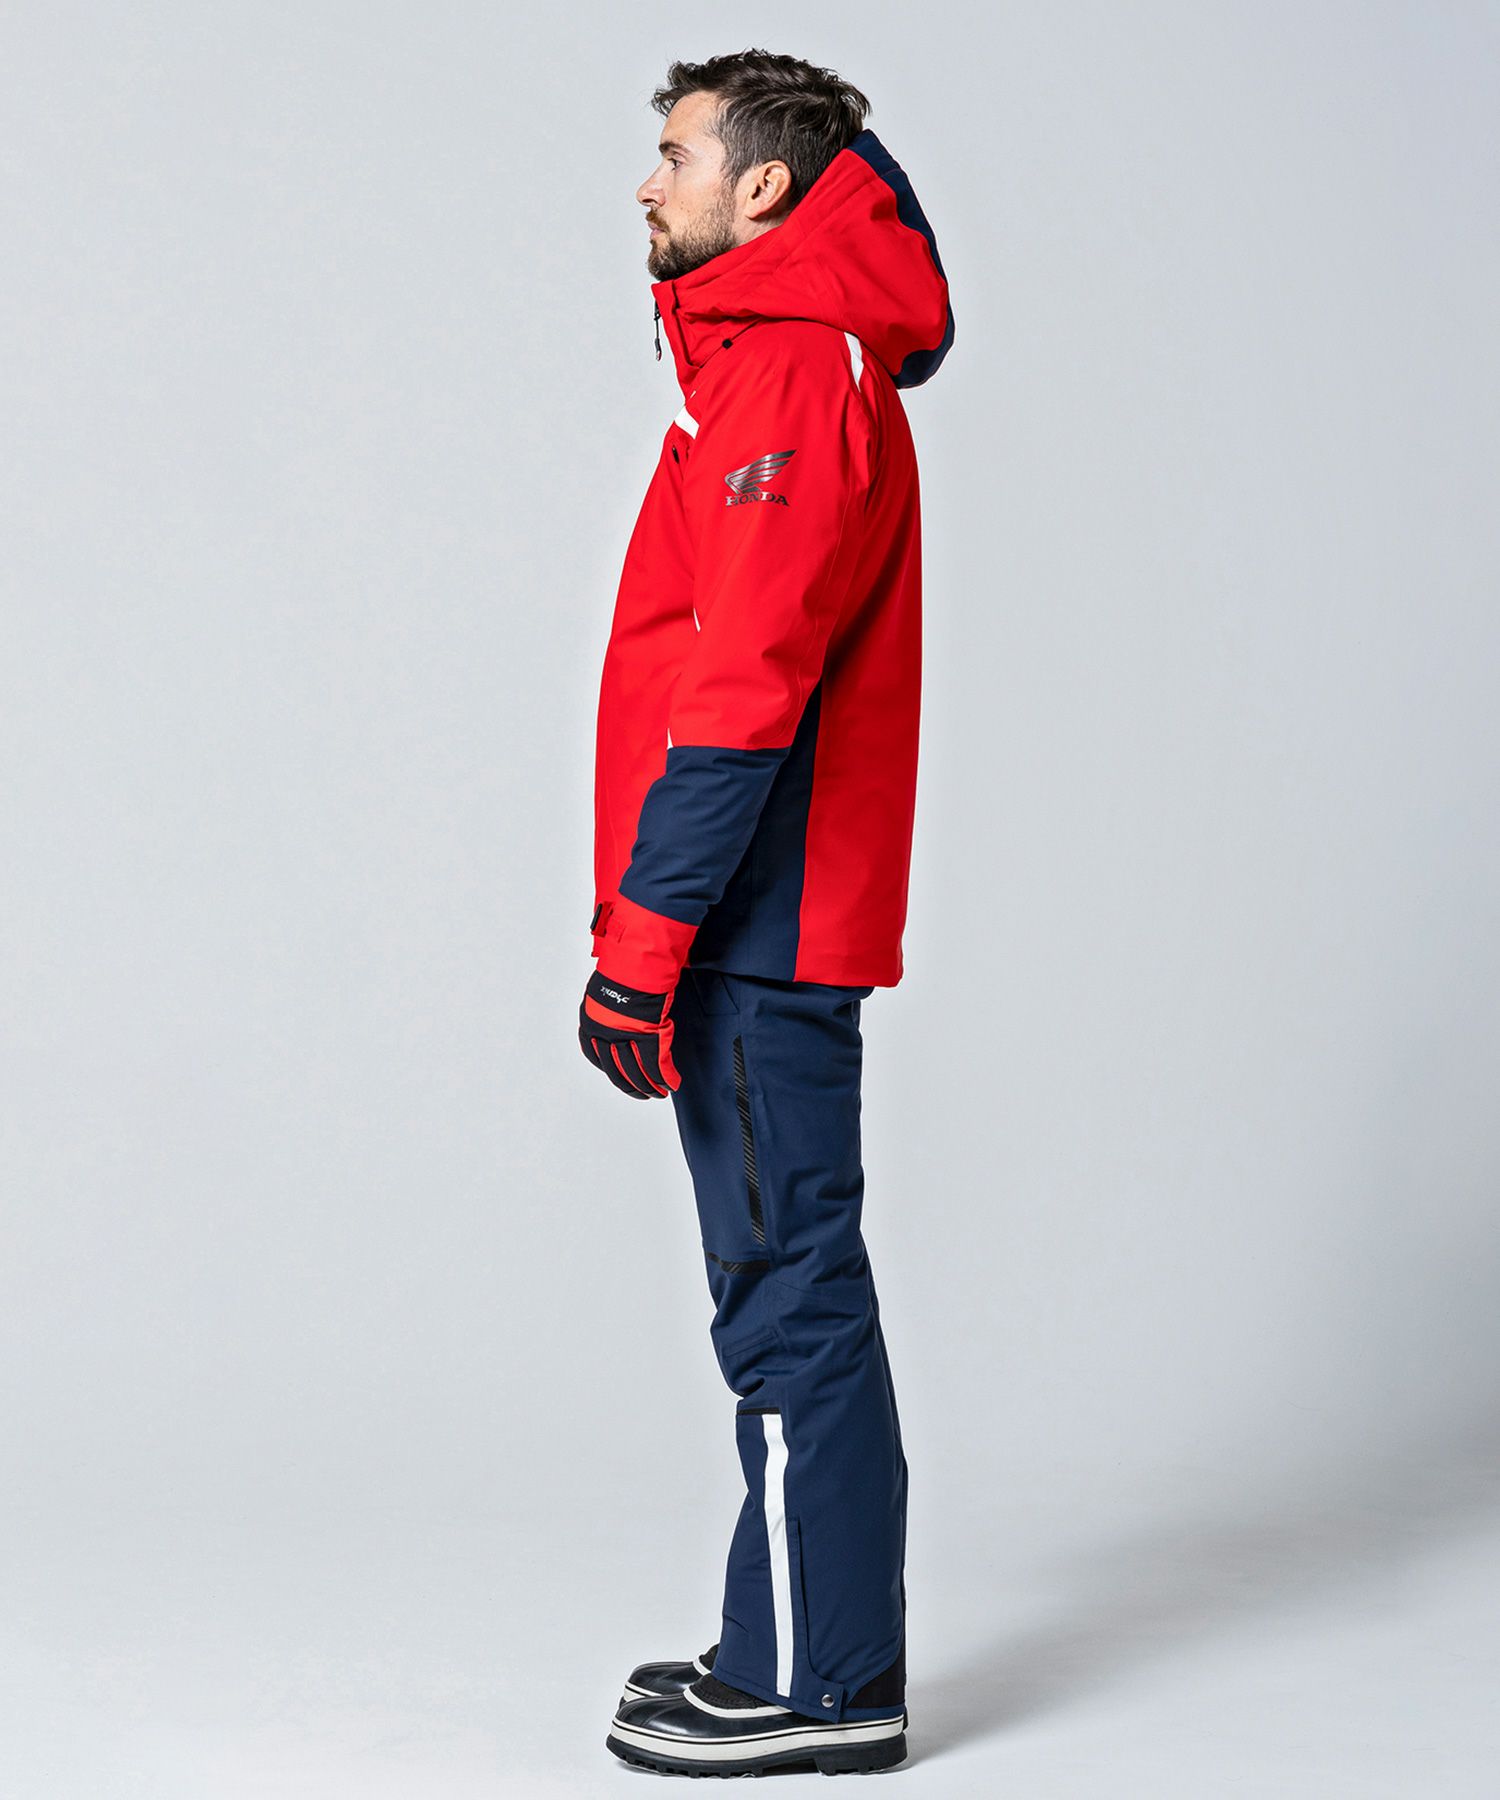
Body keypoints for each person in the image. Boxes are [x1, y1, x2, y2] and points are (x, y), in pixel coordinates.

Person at [577, 47, 954, 1779]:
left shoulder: (795, 370)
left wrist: (640, 949)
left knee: (789, 1292)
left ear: (763, 189)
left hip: (754, 919)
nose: (646, 183)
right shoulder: (770, 364)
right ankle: (780, 1644)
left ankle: (827, 1690)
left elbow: (744, 690)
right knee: (776, 1281)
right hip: (753, 911)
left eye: (674, 154)